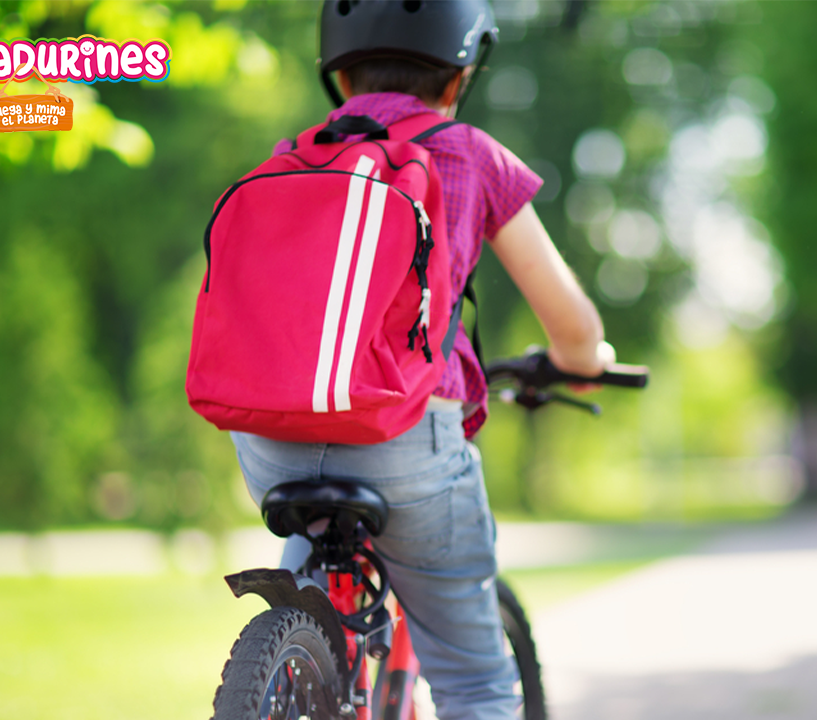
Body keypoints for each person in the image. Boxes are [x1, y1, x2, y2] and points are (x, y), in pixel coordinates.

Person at [228, 1, 614, 718]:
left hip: (269, 443)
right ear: (459, 74)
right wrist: (584, 358)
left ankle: (297, 661)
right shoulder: (470, 152)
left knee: (315, 623)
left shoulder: (294, 155)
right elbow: (571, 322)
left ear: (338, 77)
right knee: (474, 681)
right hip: (406, 439)